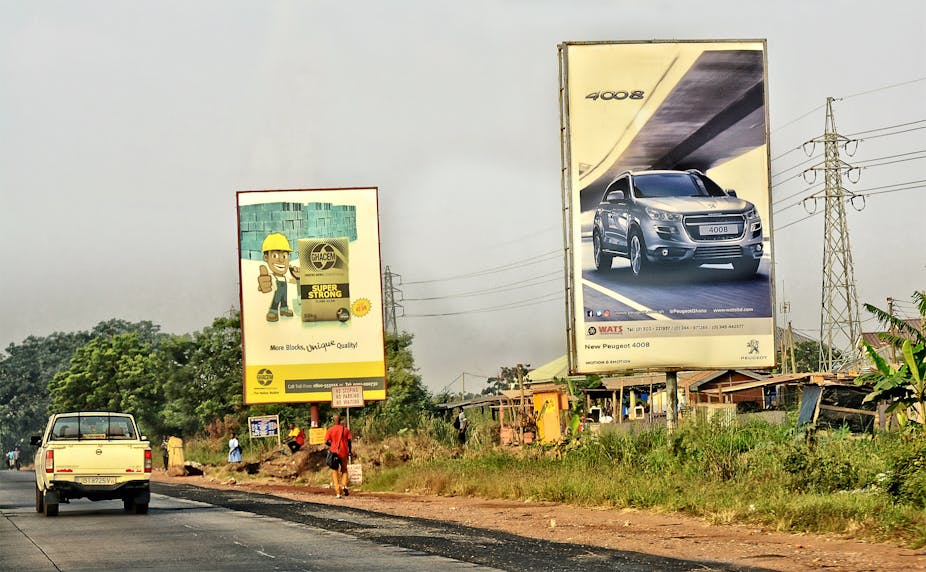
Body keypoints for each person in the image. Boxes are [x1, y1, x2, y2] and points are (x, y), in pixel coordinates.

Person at [324, 414, 352, 498]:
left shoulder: (330, 430)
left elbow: (326, 441)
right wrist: (350, 451)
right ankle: (344, 485)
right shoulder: (345, 430)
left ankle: (338, 492)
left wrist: (332, 444)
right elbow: (349, 441)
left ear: (333, 421)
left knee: (335, 471)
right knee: (344, 470)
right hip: (343, 452)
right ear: (340, 421)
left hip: (334, 453)